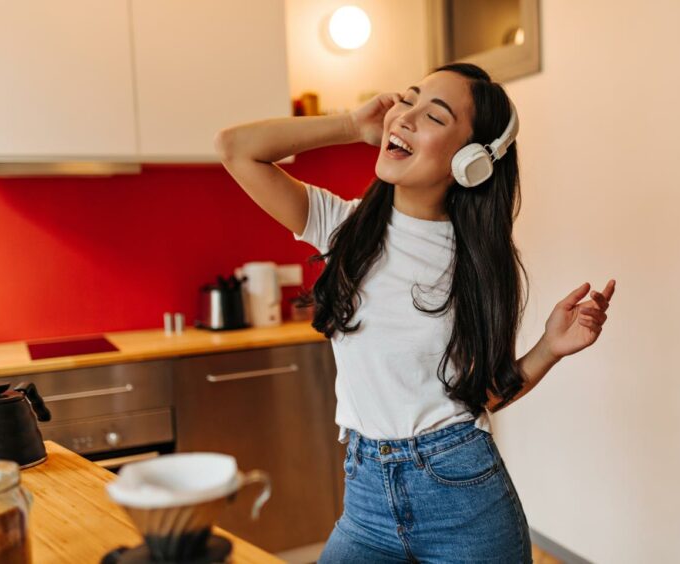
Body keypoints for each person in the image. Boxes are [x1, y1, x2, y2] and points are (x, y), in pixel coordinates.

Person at [215, 62, 616, 564]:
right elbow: (236, 149)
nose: (404, 117)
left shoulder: (478, 267)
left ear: (471, 160)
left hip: (462, 499)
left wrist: (549, 348)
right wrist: (349, 126)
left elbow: (480, 395)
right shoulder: (345, 228)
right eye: (408, 99)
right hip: (365, 500)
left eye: (434, 115)